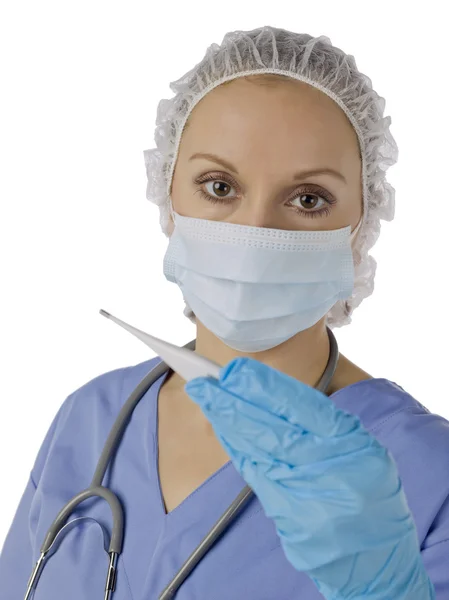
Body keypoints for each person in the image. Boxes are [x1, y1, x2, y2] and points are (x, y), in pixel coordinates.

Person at [1, 25, 448, 600]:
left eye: (309, 199)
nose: (256, 230)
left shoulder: (426, 472)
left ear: (360, 227)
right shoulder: (89, 419)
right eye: (218, 186)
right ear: (168, 198)